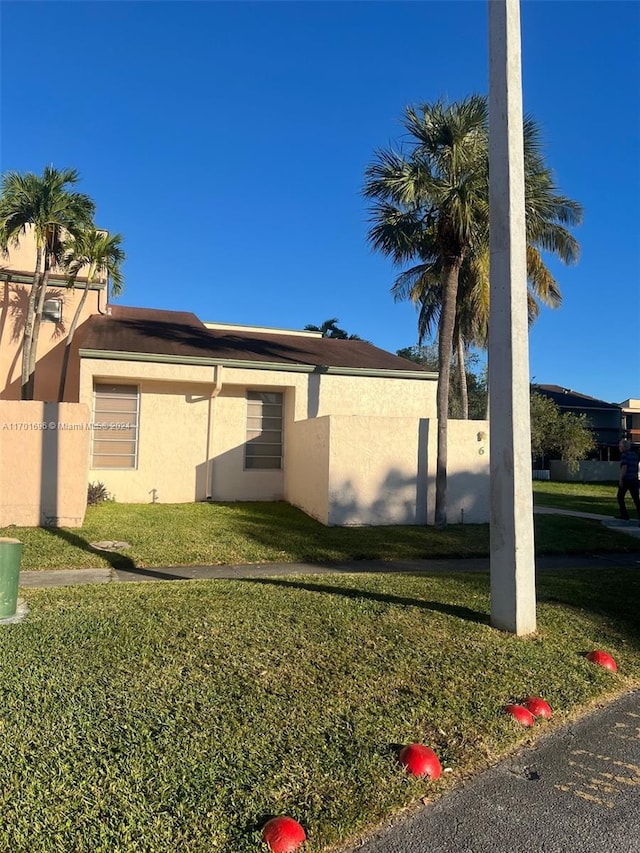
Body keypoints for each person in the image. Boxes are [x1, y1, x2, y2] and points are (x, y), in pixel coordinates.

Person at [616, 438, 640, 524]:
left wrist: (621, 479)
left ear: (623, 447)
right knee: (636, 499)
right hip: (634, 479)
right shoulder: (635, 455)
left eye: (620, 446)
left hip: (627, 479)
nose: (619, 447)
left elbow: (624, 468)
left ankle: (624, 514)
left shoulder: (624, 455)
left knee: (620, 497)